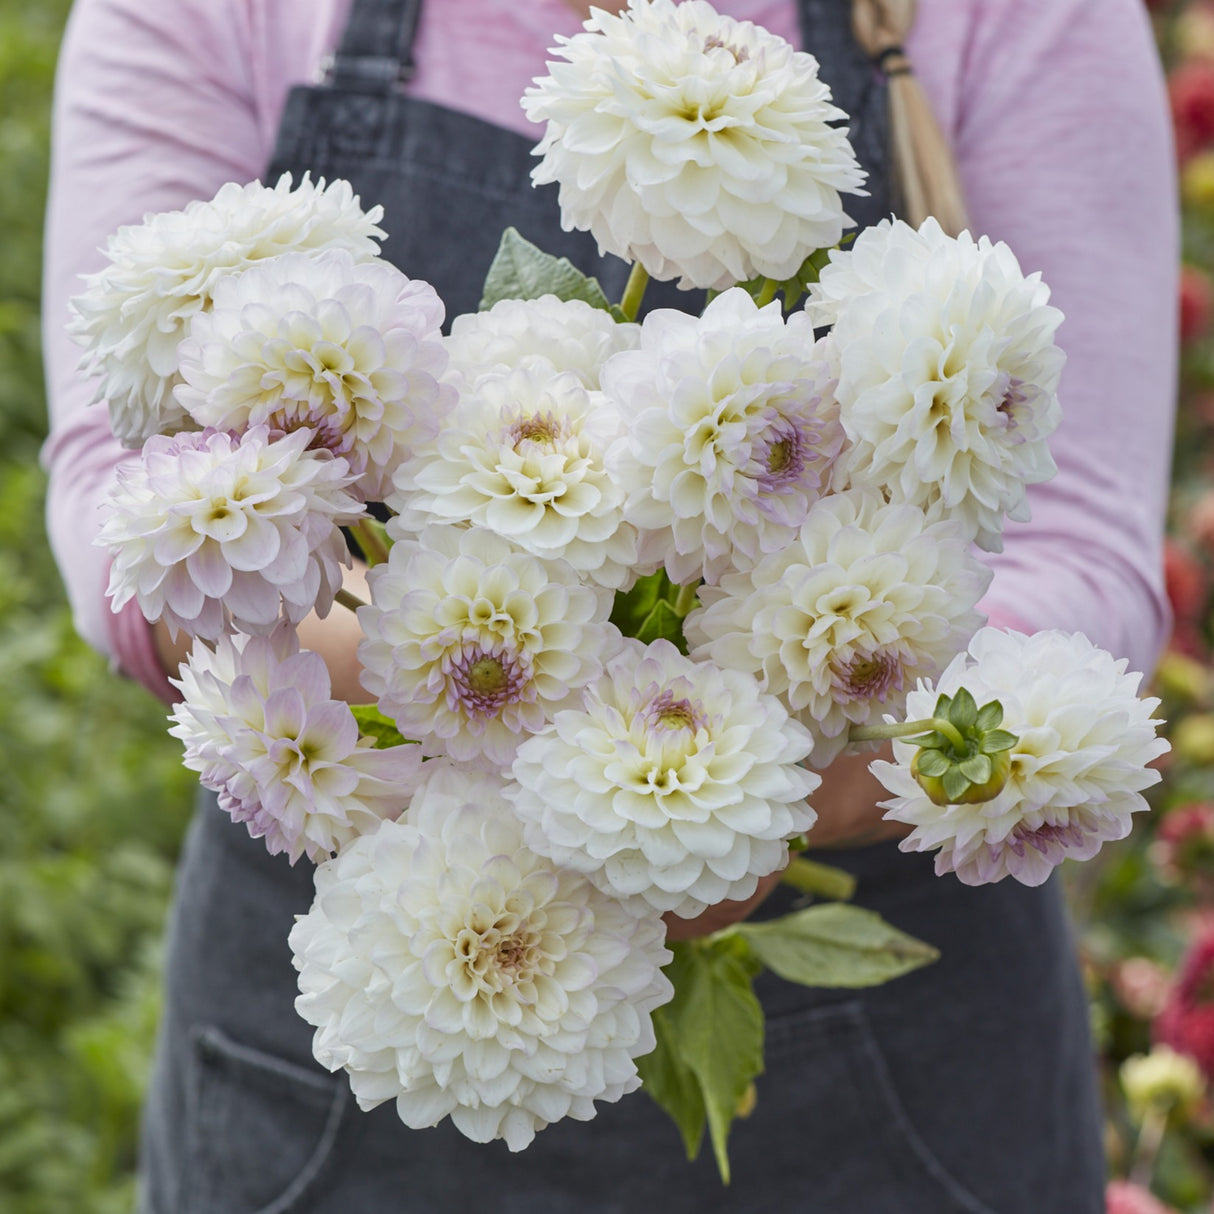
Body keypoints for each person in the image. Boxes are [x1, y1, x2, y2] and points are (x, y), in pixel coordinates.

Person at [41, 0, 1178, 1210]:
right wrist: (444, 677)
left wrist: (774, 799)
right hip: (348, 1041)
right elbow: (119, 494)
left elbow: (1083, 542)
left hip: (894, 1090)